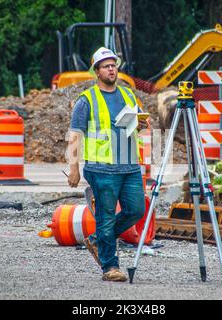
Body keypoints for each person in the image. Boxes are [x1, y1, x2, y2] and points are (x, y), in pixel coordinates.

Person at [67, 47, 148, 282]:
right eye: (106, 66)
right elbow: (75, 135)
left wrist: (142, 124)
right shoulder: (86, 100)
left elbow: (139, 123)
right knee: (106, 216)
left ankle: (96, 240)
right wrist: (73, 169)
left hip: (129, 165)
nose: (111, 69)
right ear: (97, 71)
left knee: (136, 210)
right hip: (101, 168)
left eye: (113, 65)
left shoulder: (128, 95)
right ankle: (110, 267)